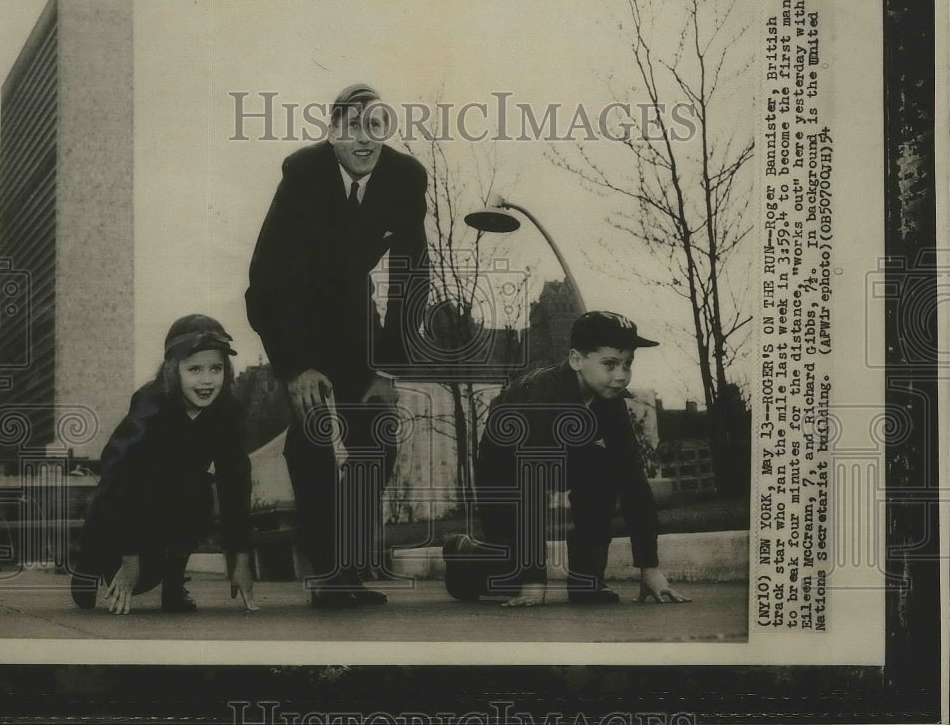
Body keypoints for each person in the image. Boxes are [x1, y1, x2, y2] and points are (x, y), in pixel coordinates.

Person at [246, 83, 429, 608]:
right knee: (313, 439)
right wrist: (295, 367)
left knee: (378, 434)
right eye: (350, 127)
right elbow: (263, 278)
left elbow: (411, 274)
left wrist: (388, 369)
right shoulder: (302, 172)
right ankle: (328, 572)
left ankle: (349, 563)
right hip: (296, 313)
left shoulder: (405, 177)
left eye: (374, 127)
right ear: (333, 133)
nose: (363, 140)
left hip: (353, 315)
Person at [447, 311, 691, 607]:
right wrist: (534, 582)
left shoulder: (609, 400)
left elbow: (633, 481)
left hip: (562, 458)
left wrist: (650, 567)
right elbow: (529, 492)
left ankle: (586, 581)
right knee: (511, 573)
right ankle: (465, 553)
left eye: (627, 364)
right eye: (610, 364)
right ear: (577, 360)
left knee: (606, 471)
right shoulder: (540, 397)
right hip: (504, 472)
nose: (621, 375)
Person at [70, 315, 257, 615]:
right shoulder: (150, 404)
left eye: (216, 368)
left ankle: (173, 584)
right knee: (127, 563)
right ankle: (90, 563)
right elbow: (119, 478)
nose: (207, 380)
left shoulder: (228, 411)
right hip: (126, 501)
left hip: (175, 499)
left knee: (197, 488)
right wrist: (130, 561)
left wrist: (241, 560)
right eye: (194, 369)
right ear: (173, 369)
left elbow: (236, 482)